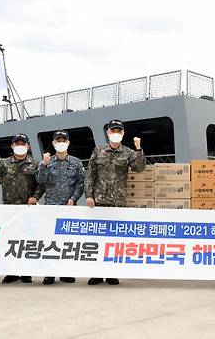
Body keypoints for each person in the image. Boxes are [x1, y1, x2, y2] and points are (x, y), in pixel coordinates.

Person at [85, 119, 146, 285]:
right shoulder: (98, 151)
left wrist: (138, 148)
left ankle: (111, 272)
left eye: (119, 131)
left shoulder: (128, 153)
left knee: (113, 239)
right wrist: (88, 195)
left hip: (117, 202)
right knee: (97, 239)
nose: (116, 133)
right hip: (98, 202)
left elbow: (139, 168)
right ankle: (97, 273)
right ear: (108, 133)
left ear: (123, 133)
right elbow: (90, 174)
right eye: (113, 131)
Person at [0, 133, 43, 284]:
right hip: (10, 208)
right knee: (11, 241)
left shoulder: (34, 164)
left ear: (28, 146)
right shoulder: (4, 163)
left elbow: (41, 183)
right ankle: (11, 272)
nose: (20, 146)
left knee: (27, 241)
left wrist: (36, 197)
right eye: (17, 144)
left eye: (22, 143)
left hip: (28, 208)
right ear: (12, 146)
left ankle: (26, 273)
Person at [36, 130, 85, 285]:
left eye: (64, 140)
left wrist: (73, 198)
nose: (61, 143)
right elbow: (40, 180)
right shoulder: (46, 162)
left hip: (69, 208)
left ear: (68, 143)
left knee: (68, 242)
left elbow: (81, 183)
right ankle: (50, 273)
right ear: (53, 143)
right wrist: (43, 164)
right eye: (58, 140)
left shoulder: (76, 162)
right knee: (51, 242)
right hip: (51, 207)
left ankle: (66, 272)